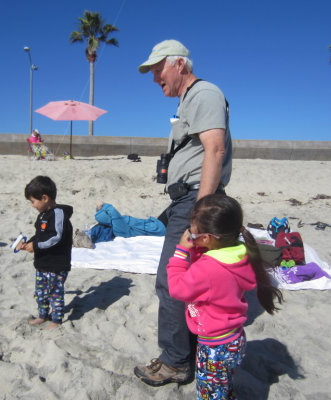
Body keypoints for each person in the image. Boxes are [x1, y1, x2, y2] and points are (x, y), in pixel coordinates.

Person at [134, 39, 233, 386]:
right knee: (187, 280)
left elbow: (215, 150)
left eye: (158, 68)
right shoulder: (189, 100)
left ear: (179, 65)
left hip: (194, 201)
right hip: (185, 200)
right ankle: (187, 353)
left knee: (171, 281)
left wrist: (199, 214)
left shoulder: (204, 94)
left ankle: (175, 361)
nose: (154, 77)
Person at [167, 194, 283, 399]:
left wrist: (180, 252)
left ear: (206, 238)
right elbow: (208, 268)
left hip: (214, 346)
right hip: (233, 338)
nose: (189, 231)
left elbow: (178, 288)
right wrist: (197, 248)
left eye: (192, 227)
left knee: (210, 394)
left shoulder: (208, 269)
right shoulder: (240, 252)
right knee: (222, 385)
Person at [21, 176, 73, 330]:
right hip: (43, 263)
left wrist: (35, 246)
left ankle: (56, 319)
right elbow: (40, 235)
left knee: (55, 293)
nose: (32, 205)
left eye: (33, 201)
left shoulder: (58, 214)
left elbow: (55, 237)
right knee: (40, 292)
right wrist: (29, 243)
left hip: (56, 264)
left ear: (44, 198)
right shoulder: (43, 214)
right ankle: (42, 315)